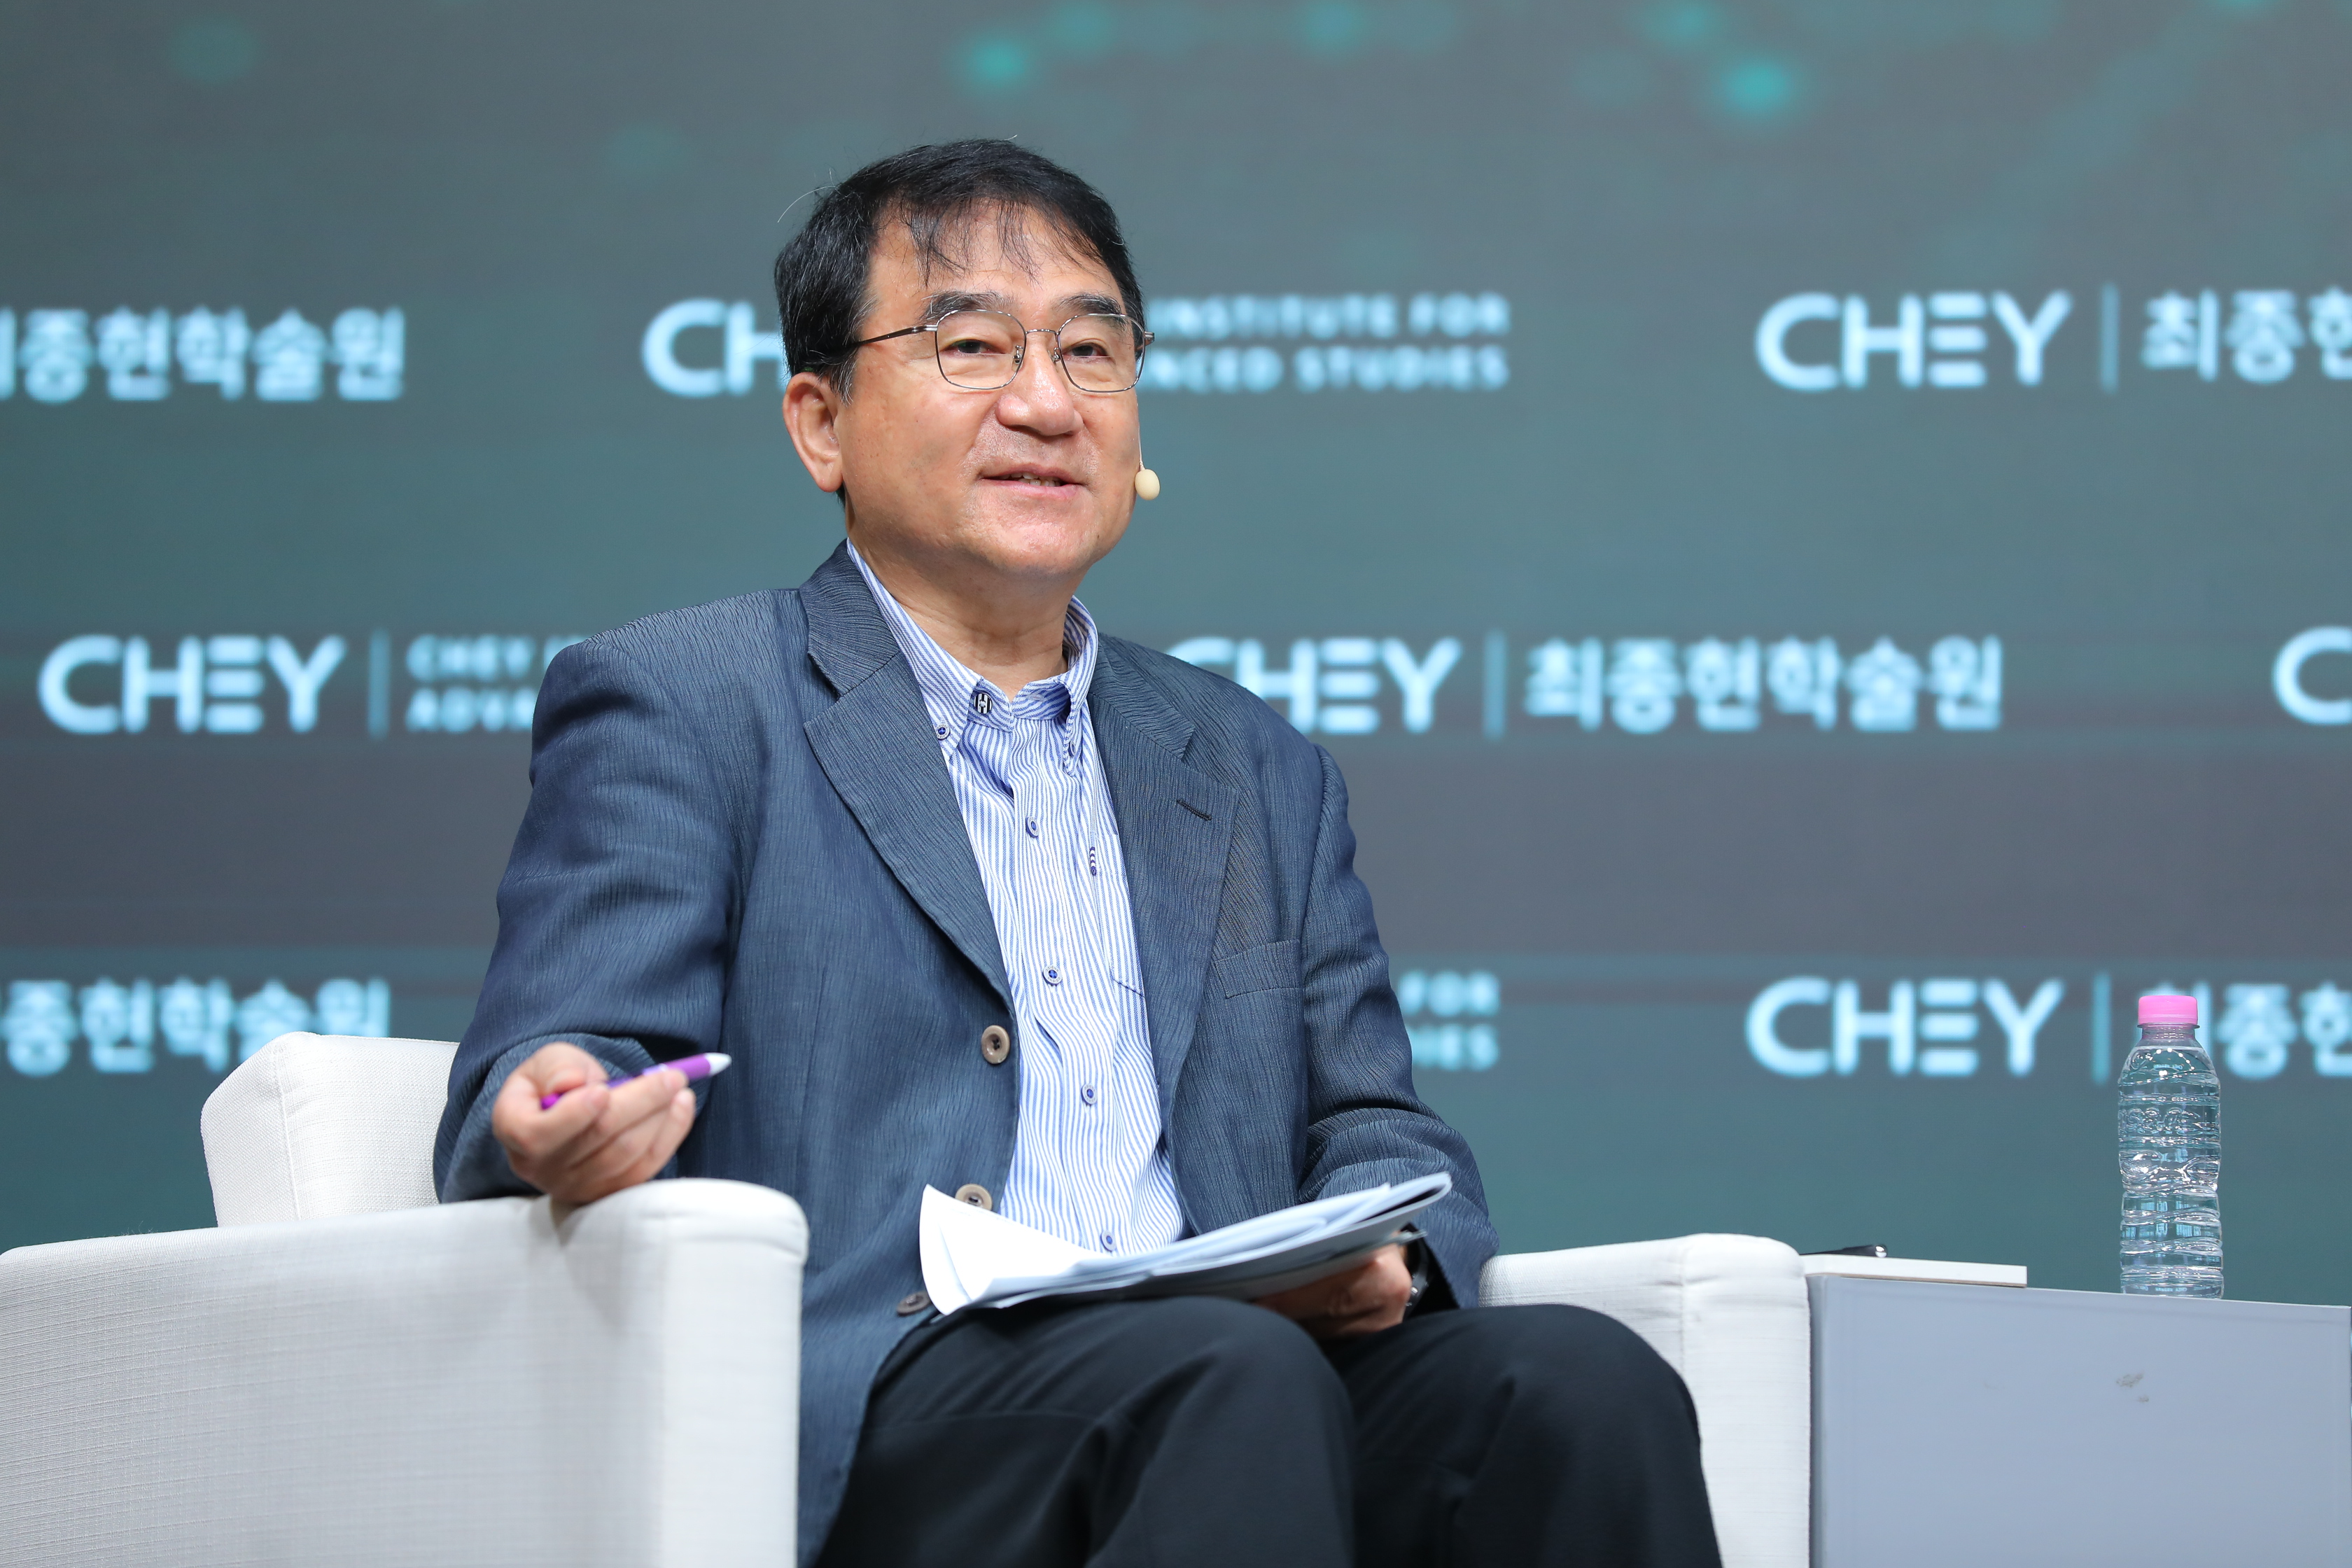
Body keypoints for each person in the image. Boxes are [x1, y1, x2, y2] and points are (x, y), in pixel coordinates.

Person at [434, 139, 1718, 1568]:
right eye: (972, 345)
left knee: (1579, 1387)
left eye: (1091, 351)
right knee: (1226, 1379)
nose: (1046, 403)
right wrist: (557, 1103)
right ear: (821, 423)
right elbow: (561, 1057)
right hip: (894, 1396)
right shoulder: (690, 700)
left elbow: (1380, 1128)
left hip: (1236, 1367)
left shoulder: (1250, 762)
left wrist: (1391, 1259)